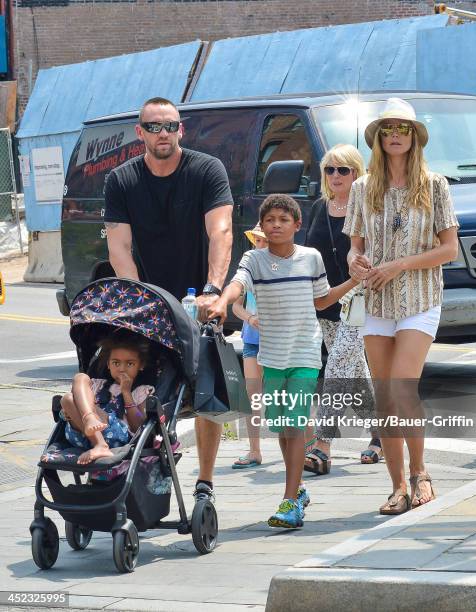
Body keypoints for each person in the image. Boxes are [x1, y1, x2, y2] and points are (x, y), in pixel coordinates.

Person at [103, 97, 233, 502]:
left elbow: (221, 231)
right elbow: (119, 247)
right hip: (149, 301)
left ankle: (205, 482)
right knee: (146, 385)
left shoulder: (206, 170)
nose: (164, 133)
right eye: (155, 127)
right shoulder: (121, 180)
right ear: (139, 132)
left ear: (182, 130)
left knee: (207, 392)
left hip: (199, 299)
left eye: (171, 126)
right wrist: (140, 300)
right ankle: (146, 464)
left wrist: (214, 289)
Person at [208, 194, 357, 528]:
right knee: (283, 429)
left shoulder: (311, 258)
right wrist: (221, 302)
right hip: (272, 357)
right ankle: (299, 491)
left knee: (293, 425)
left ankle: (290, 500)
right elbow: (237, 284)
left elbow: (322, 300)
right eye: (270, 220)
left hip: (305, 353)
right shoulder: (254, 258)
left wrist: (353, 282)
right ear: (262, 226)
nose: (276, 225)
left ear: (297, 225)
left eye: (283, 220)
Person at [345, 98, 459, 514]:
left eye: (403, 128)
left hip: (420, 297)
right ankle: (397, 486)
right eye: (388, 128)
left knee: (401, 385)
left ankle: (421, 472)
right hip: (376, 298)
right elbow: (354, 248)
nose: (395, 135)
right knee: (384, 396)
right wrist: (355, 263)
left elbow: (448, 250)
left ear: (414, 137)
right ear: (378, 138)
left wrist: (399, 265)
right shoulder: (361, 187)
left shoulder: (435, 185)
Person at [303, 144, 381, 475]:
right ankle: (382, 435)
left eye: (343, 169)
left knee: (336, 367)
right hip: (327, 302)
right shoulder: (320, 208)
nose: (335, 175)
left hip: (361, 299)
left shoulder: (368, 208)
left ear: (357, 173)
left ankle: (322, 444)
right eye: (329, 170)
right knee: (355, 373)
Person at [44, 331, 153, 465]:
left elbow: (138, 426)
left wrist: (126, 393)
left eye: (129, 364)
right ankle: (92, 424)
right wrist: (64, 413)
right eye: (116, 363)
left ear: (140, 365)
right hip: (81, 432)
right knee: (70, 393)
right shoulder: (97, 384)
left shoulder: (140, 391)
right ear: (108, 364)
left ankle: (101, 443)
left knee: (82, 404)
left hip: (116, 436)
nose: (122, 369)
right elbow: (70, 405)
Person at [231, 223, 268, 469]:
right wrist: (250, 318)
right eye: (257, 240)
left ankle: (300, 449)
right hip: (252, 339)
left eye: (263, 240)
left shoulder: (284, 265)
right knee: (252, 397)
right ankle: (254, 450)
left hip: (279, 340)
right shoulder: (248, 268)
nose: (259, 244)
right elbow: (236, 306)